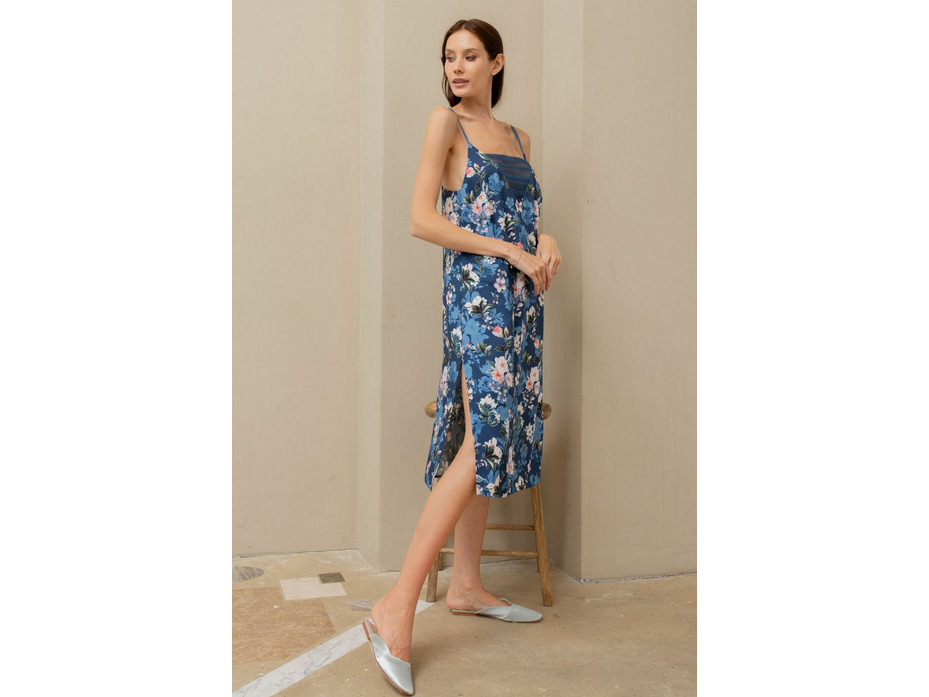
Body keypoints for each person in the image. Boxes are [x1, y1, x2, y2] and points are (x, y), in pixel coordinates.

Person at [361, 18, 563, 695]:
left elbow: (525, 220)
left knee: (484, 439)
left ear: (496, 63)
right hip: (478, 302)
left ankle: (468, 586)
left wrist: (545, 242)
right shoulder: (444, 125)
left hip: (522, 306)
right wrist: (509, 251)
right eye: (449, 56)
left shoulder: (520, 138)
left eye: (470, 56)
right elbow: (423, 219)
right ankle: (396, 605)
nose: (456, 67)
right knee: (480, 445)